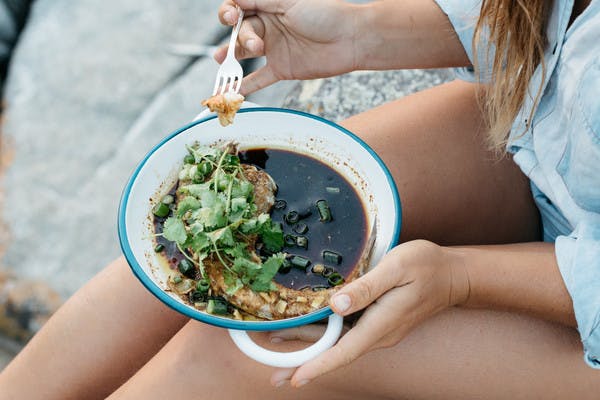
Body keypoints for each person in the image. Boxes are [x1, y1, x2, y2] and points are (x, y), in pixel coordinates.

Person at [1, 0, 599, 398]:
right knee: (176, 253)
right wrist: (355, 34)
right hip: (554, 145)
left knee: (261, 344)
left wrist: (462, 275)